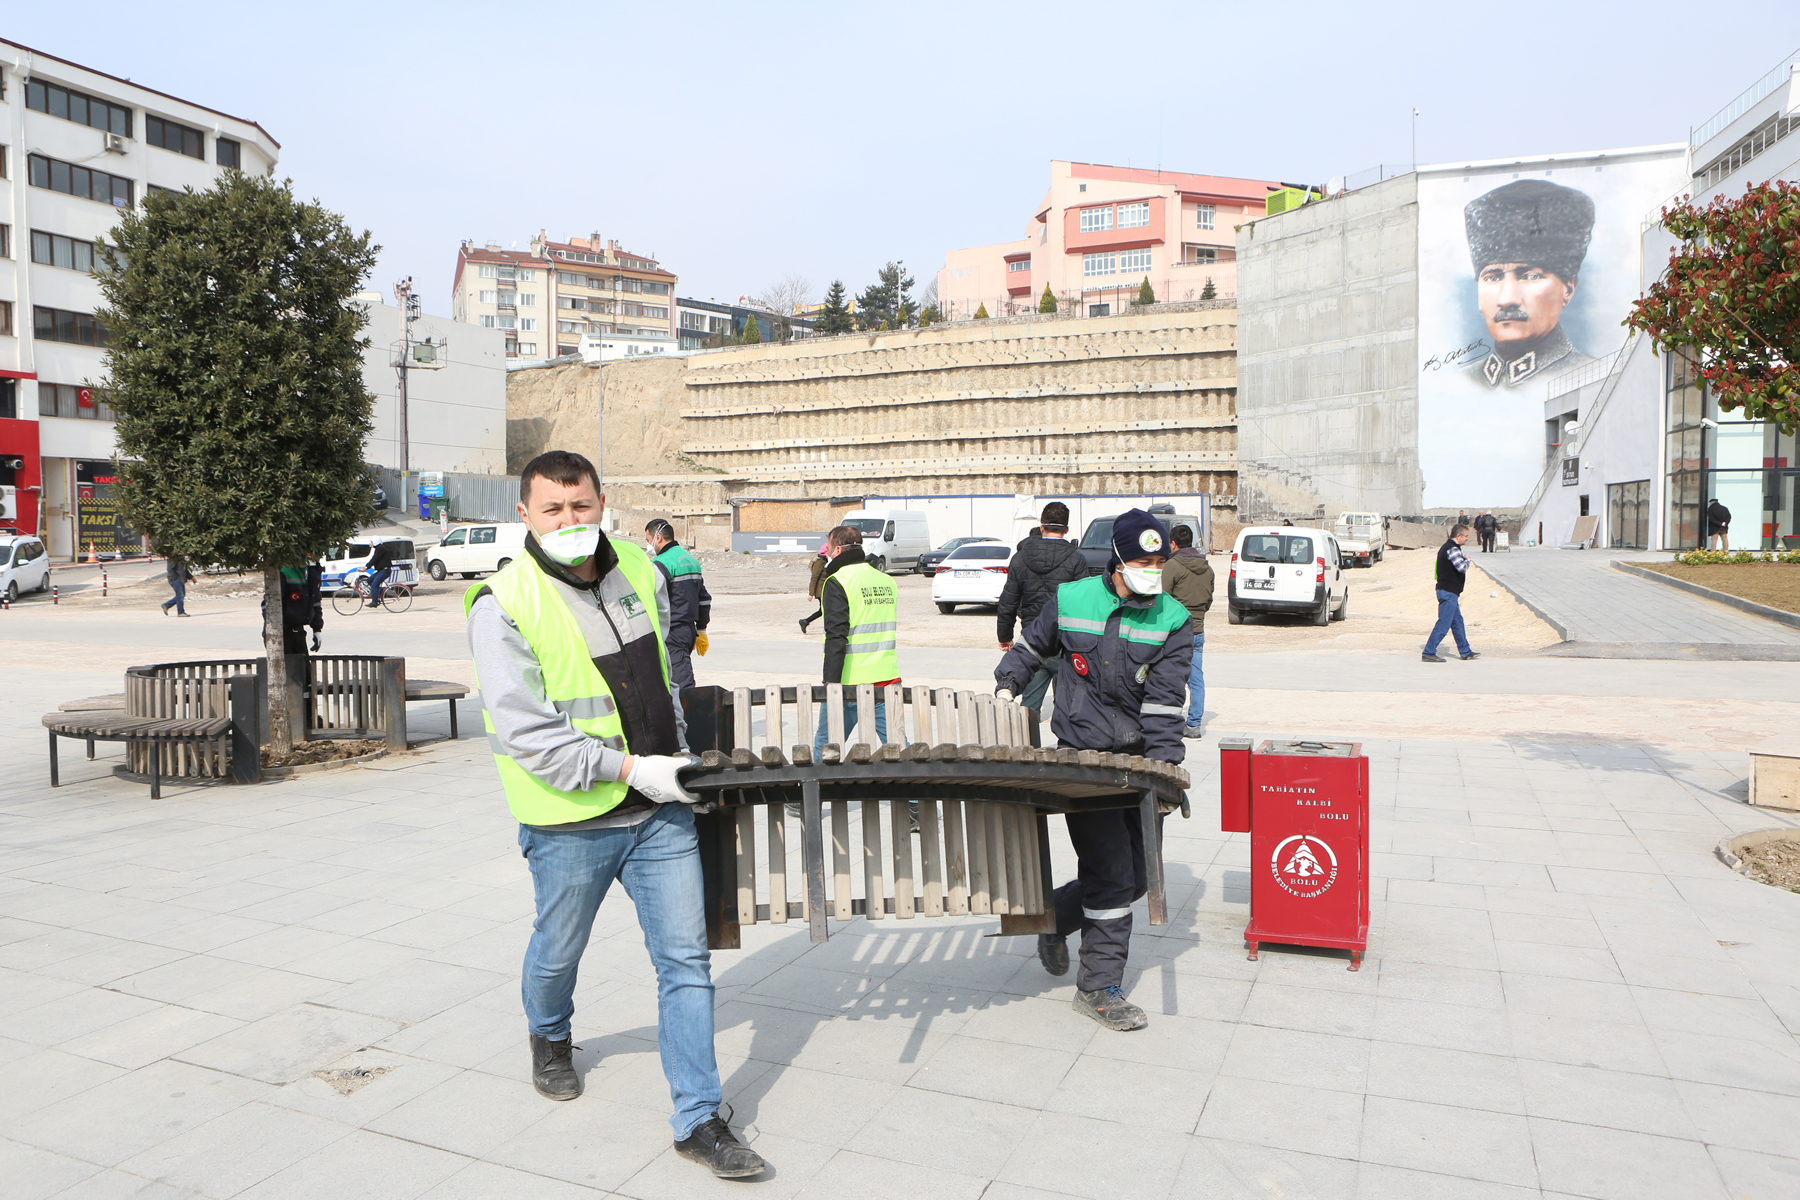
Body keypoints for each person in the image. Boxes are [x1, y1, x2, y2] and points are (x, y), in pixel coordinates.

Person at [464, 450, 765, 1179]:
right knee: (558, 951)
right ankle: (550, 1033)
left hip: (659, 815)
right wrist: (634, 769)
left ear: (604, 503)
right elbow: (531, 737)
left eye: (582, 506)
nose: (571, 521)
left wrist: (680, 758)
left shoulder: (641, 568)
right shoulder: (503, 603)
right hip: (571, 821)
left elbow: (662, 672)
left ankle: (698, 1118)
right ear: (525, 516)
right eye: (553, 510)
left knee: (685, 963)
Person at [995, 508, 1193, 1032]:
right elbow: (1031, 647)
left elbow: (1166, 704)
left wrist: (1165, 773)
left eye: (1160, 561)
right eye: (1143, 561)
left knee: (1135, 878)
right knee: (1111, 874)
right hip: (1082, 760)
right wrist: (1006, 684)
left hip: (1137, 762)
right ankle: (1100, 988)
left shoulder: (1172, 618)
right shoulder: (1072, 598)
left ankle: (1054, 919)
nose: (1153, 570)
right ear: (1118, 560)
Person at [1463, 179, 1596, 388]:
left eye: (1530, 276)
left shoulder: (1597, 377)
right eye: (1493, 277)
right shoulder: (1460, 382)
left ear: (1568, 289)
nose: (1507, 300)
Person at [997, 502, 1087, 715]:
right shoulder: (1076, 559)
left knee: (1029, 708)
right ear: (1066, 529)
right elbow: (1083, 603)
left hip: (1032, 640)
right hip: (1066, 642)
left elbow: (1008, 601)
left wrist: (1005, 636)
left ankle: (1027, 746)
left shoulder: (1020, 558)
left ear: (1041, 526)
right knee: (1068, 706)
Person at [812, 524, 896, 754]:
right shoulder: (886, 581)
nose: (827, 553)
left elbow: (836, 636)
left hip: (850, 681)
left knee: (826, 746)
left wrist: (830, 682)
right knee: (898, 747)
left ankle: (818, 788)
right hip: (887, 678)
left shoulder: (837, 581)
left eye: (829, 548)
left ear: (838, 550)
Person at [646, 519, 711, 691]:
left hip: (671, 632)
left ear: (658, 538)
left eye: (648, 540)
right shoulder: (690, 560)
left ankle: (690, 713)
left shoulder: (660, 564)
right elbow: (704, 599)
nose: (649, 546)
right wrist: (701, 629)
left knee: (682, 681)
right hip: (688, 631)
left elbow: (652, 600)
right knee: (669, 677)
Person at [1162, 523, 1214, 739]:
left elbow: (1161, 598)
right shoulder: (1208, 568)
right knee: (1196, 678)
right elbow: (1208, 600)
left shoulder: (1172, 566)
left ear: (1173, 544)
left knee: (1168, 678)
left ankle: (1168, 721)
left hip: (1175, 630)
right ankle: (1194, 724)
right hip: (1198, 629)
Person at [1423, 523, 1479, 663]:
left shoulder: (1448, 548)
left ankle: (1465, 651)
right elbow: (1462, 567)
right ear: (1458, 536)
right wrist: (1467, 559)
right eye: (1466, 536)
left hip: (1450, 592)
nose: (1467, 539)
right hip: (1448, 592)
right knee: (1444, 624)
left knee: (1457, 622)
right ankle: (1428, 652)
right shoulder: (1452, 549)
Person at [798, 544, 829, 633]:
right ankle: (806, 622)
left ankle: (805, 621)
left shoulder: (826, 561)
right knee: (825, 610)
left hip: (825, 589)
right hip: (821, 591)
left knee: (823, 610)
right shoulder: (819, 562)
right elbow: (814, 577)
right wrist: (811, 593)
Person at [364, 539, 397, 608]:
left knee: (374, 584)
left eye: (372, 542)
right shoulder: (378, 549)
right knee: (369, 580)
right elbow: (374, 559)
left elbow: (375, 559)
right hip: (381, 571)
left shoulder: (380, 549)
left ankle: (374, 602)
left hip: (385, 571)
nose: (371, 543)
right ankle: (380, 591)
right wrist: (366, 566)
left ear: (375, 542)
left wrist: (366, 567)